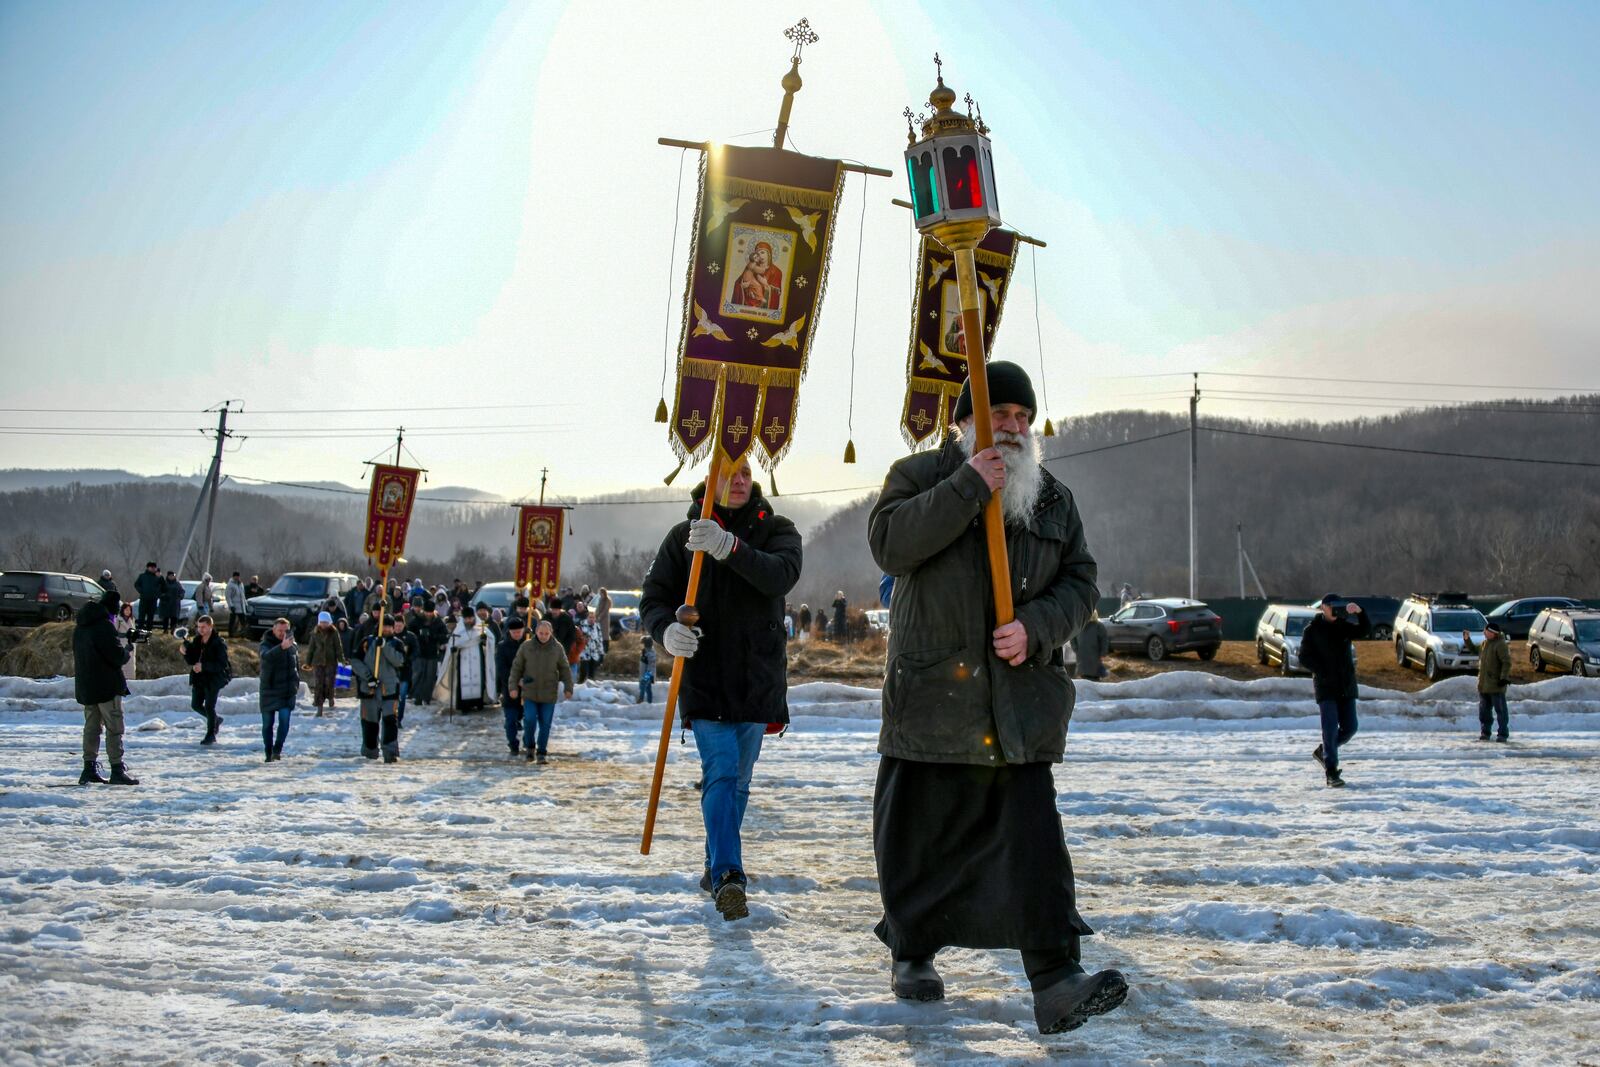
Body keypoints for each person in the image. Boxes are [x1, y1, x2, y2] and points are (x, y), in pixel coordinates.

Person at [867, 360, 1125, 1034]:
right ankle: (912, 951)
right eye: (998, 415)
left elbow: (1083, 583)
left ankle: (1056, 979)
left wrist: (1036, 628)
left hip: (1016, 703)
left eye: (1021, 418)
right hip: (932, 696)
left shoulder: (1051, 499)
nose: (1011, 427)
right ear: (964, 423)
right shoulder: (920, 476)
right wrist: (966, 485)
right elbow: (891, 545)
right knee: (919, 839)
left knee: (1035, 841)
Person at [640, 454, 802, 922]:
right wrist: (665, 631)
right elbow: (655, 597)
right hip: (705, 674)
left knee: (740, 781)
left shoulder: (778, 529)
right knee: (723, 772)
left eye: (746, 474)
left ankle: (714, 863)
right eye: (728, 475)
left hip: (757, 674)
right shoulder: (683, 536)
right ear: (709, 482)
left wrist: (730, 547)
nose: (739, 482)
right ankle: (730, 875)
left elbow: (781, 575)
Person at [1297, 593, 1371, 787]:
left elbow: (1364, 631)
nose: (1335, 609)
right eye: (1332, 606)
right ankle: (1331, 772)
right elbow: (1303, 656)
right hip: (1326, 687)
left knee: (1350, 727)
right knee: (1329, 729)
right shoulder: (1312, 630)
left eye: (1339, 606)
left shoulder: (1343, 627)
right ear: (1323, 607)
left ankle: (1325, 751)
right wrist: (1321, 671)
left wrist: (1360, 612)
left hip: (1346, 685)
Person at [73, 591, 138, 785]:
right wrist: (127, 650)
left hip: (87, 686)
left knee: (91, 728)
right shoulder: (104, 627)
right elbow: (116, 657)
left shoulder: (81, 627)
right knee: (114, 728)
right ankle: (117, 769)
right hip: (107, 687)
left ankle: (89, 768)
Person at [509, 617, 574, 765]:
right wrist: (513, 687)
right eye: (540, 632)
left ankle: (542, 752)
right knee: (530, 720)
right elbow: (516, 667)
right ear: (536, 632)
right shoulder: (526, 647)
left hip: (548, 693)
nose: (543, 636)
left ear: (551, 633)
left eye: (546, 633)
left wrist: (568, 687)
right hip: (530, 691)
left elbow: (564, 668)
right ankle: (530, 747)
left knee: (545, 724)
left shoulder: (557, 648)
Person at [351, 631, 406, 763]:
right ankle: (369, 753)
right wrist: (368, 677)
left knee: (390, 722)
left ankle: (390, 753)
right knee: (369, 723)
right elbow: (355, 661)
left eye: (389, 626)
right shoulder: (367, 642)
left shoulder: (396, 643)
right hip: (369, 690)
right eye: (384, 625)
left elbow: (399, 662)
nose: (386, 628)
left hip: (389, 691)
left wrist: (385, 647)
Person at [181, 614, 230, 745]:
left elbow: (222, 664)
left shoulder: (218, 643)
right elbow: (192, 660)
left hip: (213, 679)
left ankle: (211, 734)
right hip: (199, 678)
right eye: (199, 627)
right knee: (195, 705)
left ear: (210, 627)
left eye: (203, 627)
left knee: (209, 706)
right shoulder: (197, 641)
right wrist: (185, 653)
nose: (201, 630)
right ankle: (216, 720)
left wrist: (204, 667)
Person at [258, 618, 299, 762]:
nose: (282, 633)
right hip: (269, 689)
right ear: (274, 629)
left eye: (285, 630)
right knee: (267, 724)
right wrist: (281, 647)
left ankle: (277, 749)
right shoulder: (266, 644)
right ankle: (268, 752)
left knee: (285, 721)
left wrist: (296, 684)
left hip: (287, 691)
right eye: (280, 630)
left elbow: (296, 667)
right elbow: (266, 657)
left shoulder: (292, 646)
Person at [1464, 621, 1513, 742]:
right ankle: (1485, 732)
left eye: (1486, 631)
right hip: (1483, 685)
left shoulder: (1500, 645)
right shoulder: (1485, 643)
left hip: (1496, 685)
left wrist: (1503, 678)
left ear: (1492, 633)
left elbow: (1506, 662)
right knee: (1484, 712)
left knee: (1501, 711)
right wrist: (1467, 640)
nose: (1484, 633)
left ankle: (1502, 734)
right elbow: (1475, 651)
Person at [445, 610, 495, 711]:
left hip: (477, 655)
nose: (468, 620)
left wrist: (485, 640)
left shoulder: (480, 627)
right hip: (463, 657)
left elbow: (491, 639)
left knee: (478, 678)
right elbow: (453, 642)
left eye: (470, 618)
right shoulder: (459, 630)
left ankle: (478, 703)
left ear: (474, 617)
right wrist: (454, 649)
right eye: (466, 618)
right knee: (463, 680)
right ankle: (464, 706)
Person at [497, 615, 528, 755]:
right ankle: (513, 744)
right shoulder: (502, 647)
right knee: (510, 720)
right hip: (510, 689)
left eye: (519, 631)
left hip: (528, 690)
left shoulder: (529, 645)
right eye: (514, 632)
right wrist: (515, 681)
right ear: (509, 632)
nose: (517, 634)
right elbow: (502, 669)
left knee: (529, 719)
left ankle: (528, 743)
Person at [305, 611, 346, 716]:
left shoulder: (334, 632)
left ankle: (331, 697)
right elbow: (311, 649)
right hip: (318, 662)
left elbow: (338, 647)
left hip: (330, 661)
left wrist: (342, 659)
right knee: (319, 683)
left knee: (329, 682)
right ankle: (319, 707)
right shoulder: (315, 633)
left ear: (329, 622)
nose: (324, 624)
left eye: (326, 622)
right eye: (322, 622)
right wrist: (308, 662)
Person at [409, 601, 448, 707]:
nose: (428, 614)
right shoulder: (417, 620)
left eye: (430, 612)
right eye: (426, 612)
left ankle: (427, 698)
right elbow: (409, 633)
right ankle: (417, 697)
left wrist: (433, 635)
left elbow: (444, 635)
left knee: (430, 677)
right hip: (419, 652)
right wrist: (419, 635)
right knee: (419, 675)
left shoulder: (438, 621)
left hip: (432, 653)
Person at [388, 614, 419, 727]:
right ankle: (390, 717)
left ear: (404, 625)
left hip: (405, 671)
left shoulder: (410, 637)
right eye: (396, 626)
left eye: (400, 626)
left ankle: (398, 719)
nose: (398, 628)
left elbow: (416, 650)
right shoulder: (389, 637)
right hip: (391, 671)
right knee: (391, 697)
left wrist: (409, 659)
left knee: (401, 696)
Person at [1072, 611, 1109, 680]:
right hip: (1082, 654)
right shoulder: (1079, 626)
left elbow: (1104, 641)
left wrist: (1103, 653)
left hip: (1094, 654)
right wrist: (1076, 649)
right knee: (1084, 674)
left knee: (1094, 675)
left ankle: (1094, 682)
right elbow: (1073, 638)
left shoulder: (1099, 626)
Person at [576, 603, 606, 684]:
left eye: (593, 618)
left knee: (592, 674)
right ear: (587, 617)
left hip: (594, 653)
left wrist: (602, 653)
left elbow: (600, 640)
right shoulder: (582, 625)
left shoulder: (597, 626)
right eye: (590, 617)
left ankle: (590, 689)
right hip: (584, 653)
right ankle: (579, 687)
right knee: (584, 672)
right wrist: (583, 638)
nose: (591, 619)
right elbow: (577, 638)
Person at [113, 600, 138, 682]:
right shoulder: (118, 619)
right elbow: (114, 632)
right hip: (122, 643)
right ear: (123, 610)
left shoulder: (132, 619)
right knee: (123, 665)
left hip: (131, 643)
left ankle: (130, 681)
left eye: (129, 610)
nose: (128, 611)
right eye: (126, 610)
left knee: (130, 665)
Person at [134, 562, 162, 628]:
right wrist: (141, 591)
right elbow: (136, 584)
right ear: (148, 568)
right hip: (144, 599)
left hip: (153, 600)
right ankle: (140, 629)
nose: (153, 569)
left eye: (154, 567)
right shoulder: (142, 576)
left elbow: (162, 586)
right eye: (151, 567)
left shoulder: (157, 577)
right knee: (141, 615)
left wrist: (157, 594)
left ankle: (148, 630)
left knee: (151, 616)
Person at [225, 572, 248, 637]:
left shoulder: (241, 584)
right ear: (233, 577)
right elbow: (228, 596)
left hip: (241, 606)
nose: (237, 577)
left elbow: (243, 595)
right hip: (234, 606)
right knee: (232, 620)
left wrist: (245, 604)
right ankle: (231, 633)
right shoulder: (230, 585)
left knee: (243, 621)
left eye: (238, 576)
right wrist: (231, 605)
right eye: (236, 576)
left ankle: (243, 634)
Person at [638, 634, 658, 703]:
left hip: (648, 674)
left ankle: (641, 700)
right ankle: (649, 703)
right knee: (648, 688)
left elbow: (651, 666)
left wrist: (646, 676)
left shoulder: (650, 653)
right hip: (646, 673)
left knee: (642, 686)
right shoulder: (646, 652)